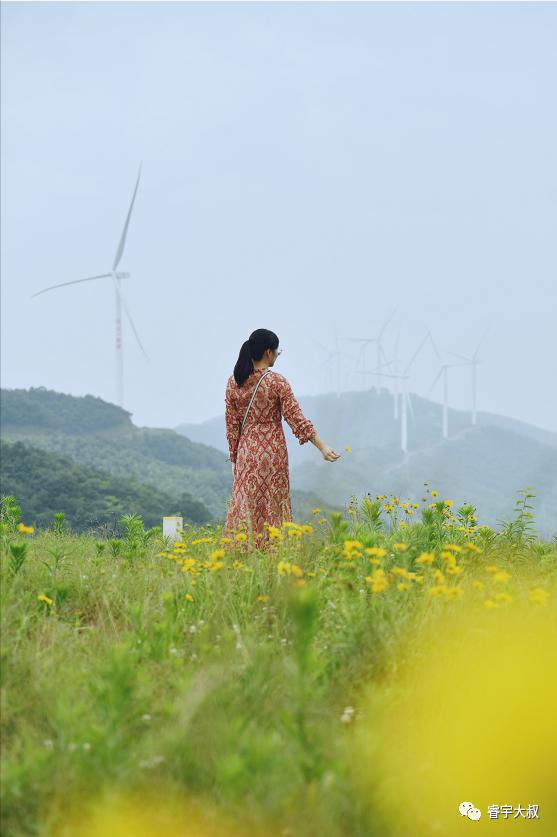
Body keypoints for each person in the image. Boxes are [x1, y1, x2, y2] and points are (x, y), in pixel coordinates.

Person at [223, 328, 340, 550]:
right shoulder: (276, 382)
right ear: (268, 352)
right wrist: (322, 447)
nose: (277, 356)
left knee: (247, 505)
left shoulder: (233, 383)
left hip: (247, 453)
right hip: (273, 453)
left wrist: (234, 459)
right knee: (273, 504)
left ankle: (243, 552)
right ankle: (273, 551)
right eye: (277, 352)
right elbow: (296, 418)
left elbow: (231, 426)